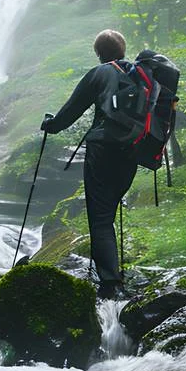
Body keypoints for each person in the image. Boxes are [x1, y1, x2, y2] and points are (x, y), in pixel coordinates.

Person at [40, 29, 141, 299]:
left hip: (103, 151)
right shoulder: (139, 76)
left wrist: (50, 125)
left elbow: (70, 111)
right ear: (123, 50)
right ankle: (114, 278)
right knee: (110, 210)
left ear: (99, 53)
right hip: (132, 152)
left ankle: (110, 285)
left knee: (101, 218)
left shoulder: (100, 73)